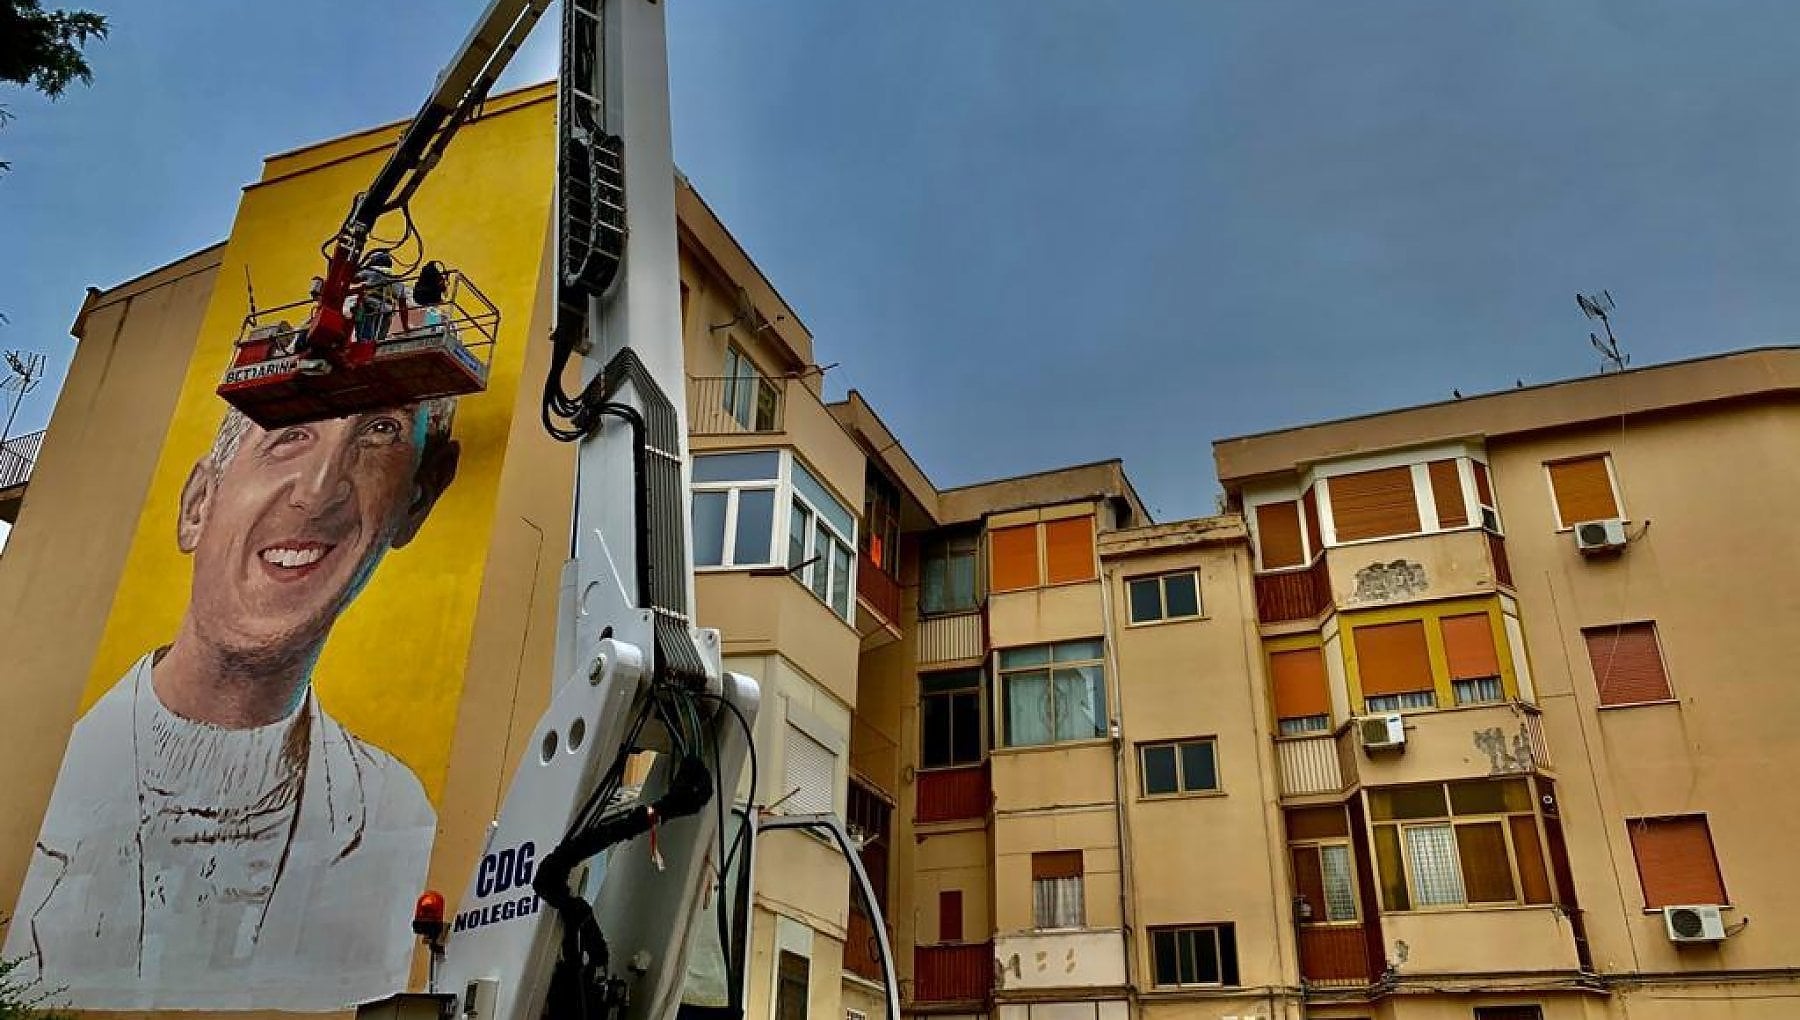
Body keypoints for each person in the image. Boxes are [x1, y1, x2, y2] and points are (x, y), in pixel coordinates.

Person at [3, 397, 461, 1011]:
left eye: (380, 433)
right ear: (197, 506)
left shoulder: (401, 819)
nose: (319, 491)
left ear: (416, 503)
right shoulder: (35, 787)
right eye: (289, 434)